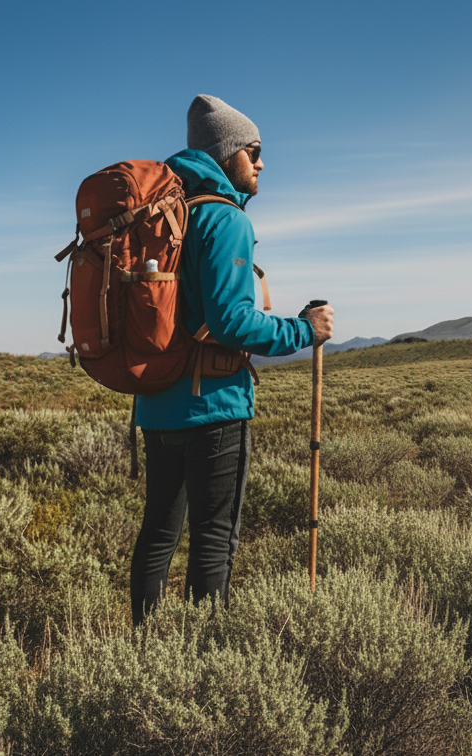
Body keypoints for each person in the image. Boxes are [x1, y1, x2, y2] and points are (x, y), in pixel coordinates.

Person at [130, 94, 335, 625]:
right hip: (214, 407)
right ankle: (200, 668)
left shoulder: (166, 215)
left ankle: (145, 656)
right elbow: (232, 322)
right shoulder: (224, 219)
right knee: (213, 541)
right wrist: (304, 329)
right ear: (227, 155)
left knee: (158, 536)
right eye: (255, 150)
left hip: (156, 402)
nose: (262, 162)